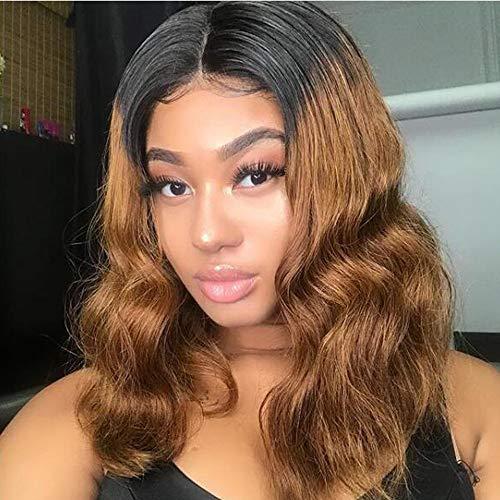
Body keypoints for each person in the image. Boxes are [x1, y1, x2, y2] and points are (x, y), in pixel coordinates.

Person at [0, 2, 498, 499]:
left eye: (256, 175)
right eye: (172, 185)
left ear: (348, 177)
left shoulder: (473, 408)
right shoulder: (69, 432)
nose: (206, 234)